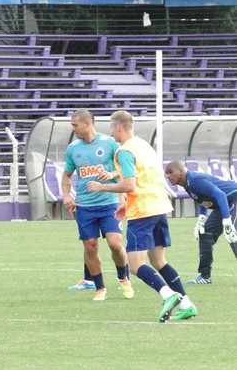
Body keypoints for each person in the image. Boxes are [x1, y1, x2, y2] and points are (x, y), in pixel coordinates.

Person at [88, 110, 197, 322]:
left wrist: (102, 187)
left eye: (112, 129)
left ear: (118, 127)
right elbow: (144, 177)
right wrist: (126, 204)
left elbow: (130, 184)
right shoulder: (143, 145)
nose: (112, 133)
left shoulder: (124, 151)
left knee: (135, 265)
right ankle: (187, 304)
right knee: (159, 261)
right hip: (159, 206)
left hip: (143, 211)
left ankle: (168, 295)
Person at [62, 110, 132, 301]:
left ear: (87, 123)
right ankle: (100, 288)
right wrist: (67, 195)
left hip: (109, 202)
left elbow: (124, 169)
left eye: (75, 125)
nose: (73, 129)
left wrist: (112, 175)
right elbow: (67, 175)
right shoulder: (73, 148)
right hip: (84, 205)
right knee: (90, 247)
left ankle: (123, 278)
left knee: (115, 244)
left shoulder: (109, 143)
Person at [165, 160, 237, 285]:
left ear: (181, 171)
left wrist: (227, 222)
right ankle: (205, 276)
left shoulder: (194, 180)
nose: (168, 176)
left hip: (233, 199)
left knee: (232, 236)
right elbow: (204, 199)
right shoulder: (187, 184)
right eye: (166, 173)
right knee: (206, 234)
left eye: (171, 172)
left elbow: (220, 195)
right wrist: (201, 220)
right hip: (225, 203)